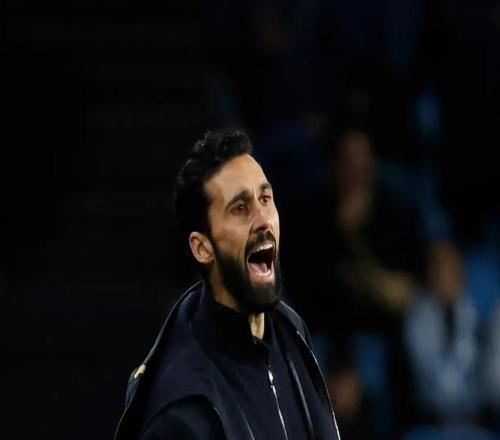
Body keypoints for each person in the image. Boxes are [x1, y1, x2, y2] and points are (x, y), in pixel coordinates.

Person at [114, 130, 341, 439]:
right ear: (202, 248)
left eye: (265, 199)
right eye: (240, 208)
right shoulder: (181, 413)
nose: (263, 220)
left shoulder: (291, 330)